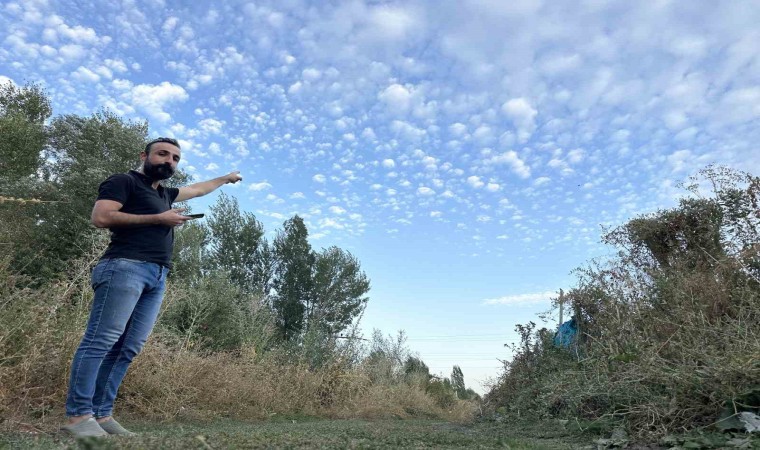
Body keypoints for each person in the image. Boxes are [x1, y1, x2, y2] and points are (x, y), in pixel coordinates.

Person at [62, 137, 242, 437]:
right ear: (144, 155)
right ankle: (78, 417)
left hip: (157, 276)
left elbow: (197, 189)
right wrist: (159, 218)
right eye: (162, 154)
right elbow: (101, 217)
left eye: (174, 158)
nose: (169, 161)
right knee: (101, 341)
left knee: (128, 347)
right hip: (124, 267)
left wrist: (225, 178)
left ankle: (102, 416)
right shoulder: (124, 182)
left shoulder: (166, 195)